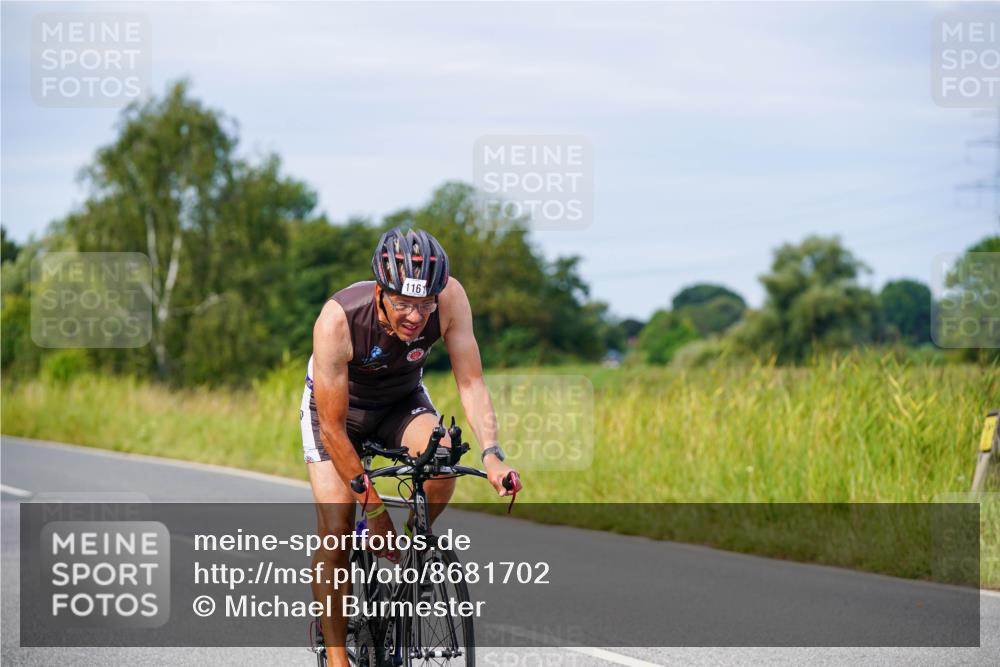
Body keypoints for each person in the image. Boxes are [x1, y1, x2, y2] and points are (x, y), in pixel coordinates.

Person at [300, 227, 522, 666]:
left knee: (442, 455)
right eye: (402, 303)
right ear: (380, 292)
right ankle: (339, 656)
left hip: (401, 403)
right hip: (339, 418)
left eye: (425, 305)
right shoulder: (338, 320)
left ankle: (414, 551)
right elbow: (332, 431)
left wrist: (492, 455)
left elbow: (471, 382)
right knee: (338, 530)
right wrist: (374, 511)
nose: (415, 317)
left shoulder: (451, 298)